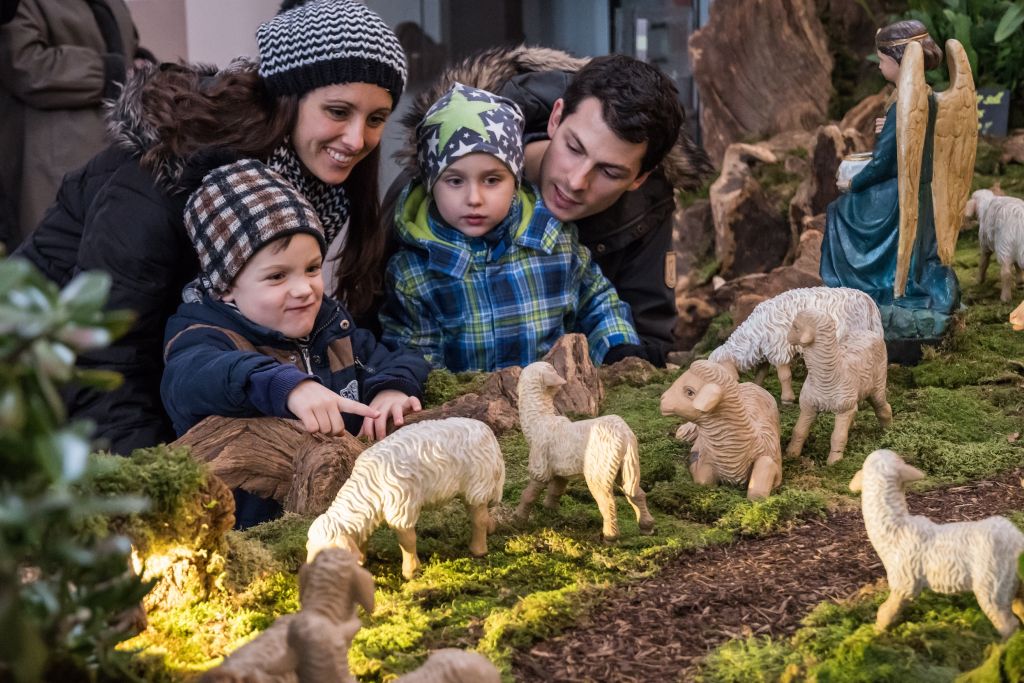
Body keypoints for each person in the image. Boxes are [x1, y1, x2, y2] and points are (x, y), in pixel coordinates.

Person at [14, 0, 408, 454]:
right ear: (287, 98)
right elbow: (106, 358)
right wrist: (158, 489)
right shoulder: (166, 179)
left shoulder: (312, 182)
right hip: (38, 375)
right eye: (338, 111)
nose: (357, 139)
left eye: (376, 118)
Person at [386, 48, 713, 366]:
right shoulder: (428, 188)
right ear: (556, 117)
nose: (576, 181)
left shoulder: (645, 207)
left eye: (609, 171)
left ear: (639, 178)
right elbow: (382, 342)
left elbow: (647, 339)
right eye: (574, 147)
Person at [162, 160, 428, 526]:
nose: (303, 290)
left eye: (312, 269)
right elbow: (191, 380)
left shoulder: (333, 328)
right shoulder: (204, 336)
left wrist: (391, 390)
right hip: (249, 535)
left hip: (345, 518)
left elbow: (400, 359)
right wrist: (286, 386)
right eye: (276, 276)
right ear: (225, 287)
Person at [380, 83, 640, 372]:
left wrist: (619, 348)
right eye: (455, 181)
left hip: (556, 402)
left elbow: (597, 302)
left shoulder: (554, 241)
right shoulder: (414, 271)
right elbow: (415, 354)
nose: (474, 199)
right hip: (469, 409)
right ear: (431, 186)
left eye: (492, 180)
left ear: (515, 182)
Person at [819, 20, 960, 338]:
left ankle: (857, 288)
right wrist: (894, 130)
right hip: (921, 191)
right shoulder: (929, 98)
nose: (880, 67)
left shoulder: (903, 107)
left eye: (882, 61)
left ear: (900, 62)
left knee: (838, 212)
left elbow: (883, 164)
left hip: (896, 196)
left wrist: (854, 183)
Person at [0, 0, 148, 249]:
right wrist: (113, 71)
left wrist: (143, 66)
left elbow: (127, 48)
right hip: (53, 165)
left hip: (115, 156)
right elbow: (26, 65)